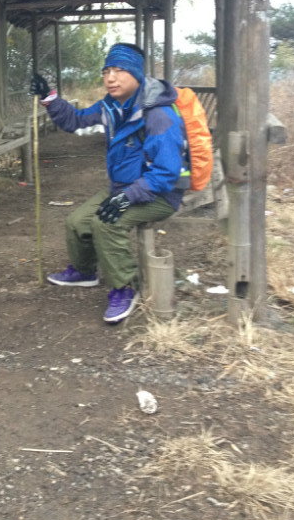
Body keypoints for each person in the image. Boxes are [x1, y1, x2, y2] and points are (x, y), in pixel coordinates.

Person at [30, 42, 188, 324]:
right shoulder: (111, 106)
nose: (110, 78)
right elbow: (76, 121)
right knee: (77, 222)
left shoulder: (159, 114)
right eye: (106, 72)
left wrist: (127, 197)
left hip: (160, 194)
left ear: (136, 74)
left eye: (119, 71)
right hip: (124, 188)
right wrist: (49, 97)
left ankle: (125, 287)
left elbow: (167, 173)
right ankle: (85, 271)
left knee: (107, 223)